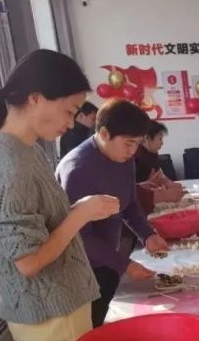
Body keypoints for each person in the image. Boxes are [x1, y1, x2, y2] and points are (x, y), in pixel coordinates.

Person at [0, 49, 120, 341]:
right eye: (69, 110)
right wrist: (81, 214)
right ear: (36, 98)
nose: (71, 123)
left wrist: (79, 211)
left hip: (62, 305)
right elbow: (27, 261)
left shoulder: (25, 150)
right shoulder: (6, 161)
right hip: (48, 313)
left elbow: (41, 228)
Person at [57, 99, 168, 327]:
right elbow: (80, 236)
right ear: (104, 133)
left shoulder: (123, 157)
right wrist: (124, 264)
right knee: (90, 326)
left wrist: (147, 234)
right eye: (128, 143)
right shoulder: (78, 169)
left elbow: (128, 203)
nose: (133, 151)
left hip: (108, 257)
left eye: (137, 143)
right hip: (81, 268)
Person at [133, 120, 184, 214]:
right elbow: (129, 188)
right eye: (160, 139)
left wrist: (169, 183)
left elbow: (160, 176)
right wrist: (146, 184)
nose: (162, 143)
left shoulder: (151, 155)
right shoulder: (134, 157)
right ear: (147, 138)